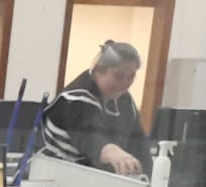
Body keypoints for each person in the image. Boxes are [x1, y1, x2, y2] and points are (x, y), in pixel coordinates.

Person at [40, 40, 152, 178]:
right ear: (99, 70)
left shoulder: (124, 100)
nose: (125, 83)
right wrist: (114, 153)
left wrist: (151, 178)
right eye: (118, 76)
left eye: (131, 77)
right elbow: (89, 139)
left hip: (97, 177)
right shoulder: (76, 98)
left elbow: (138, 142)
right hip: (57, 174)